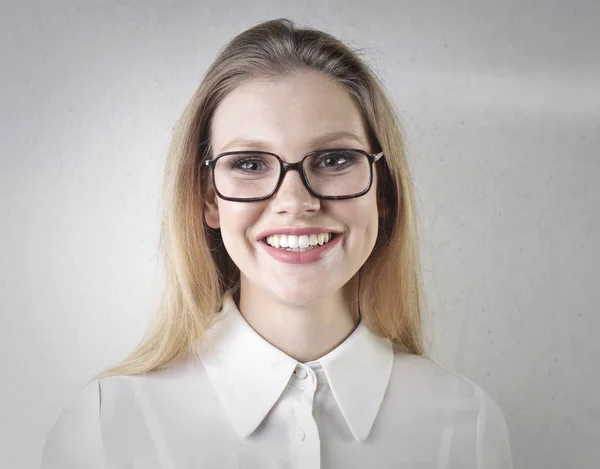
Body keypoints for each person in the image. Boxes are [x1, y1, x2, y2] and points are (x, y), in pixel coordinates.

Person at [41, 18, 513, 469]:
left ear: (383, 189)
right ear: (210, 198)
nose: (294, 201)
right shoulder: (106, 426)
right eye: (249, 163)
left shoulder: (467, 425)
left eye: (333, 158)